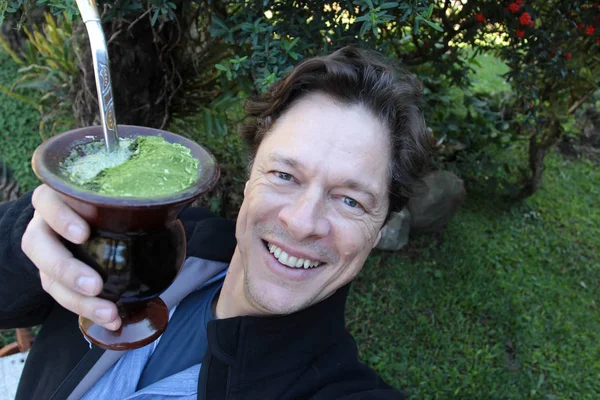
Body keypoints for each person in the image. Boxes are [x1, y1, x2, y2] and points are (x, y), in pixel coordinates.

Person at [0, 46, 430, 399]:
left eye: (351, 200)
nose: (302, 222)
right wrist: (31, 239)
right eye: (284, 176)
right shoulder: (142, 234)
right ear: (249, 176)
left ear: (379, 228)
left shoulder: (338, 389)